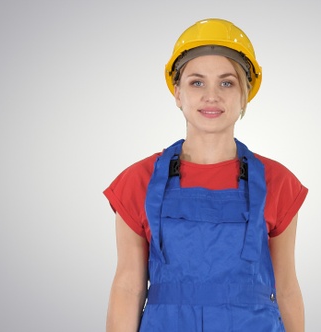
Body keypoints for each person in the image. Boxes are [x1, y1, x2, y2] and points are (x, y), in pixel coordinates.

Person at [104, 18, 308, 332]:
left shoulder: (277, 183)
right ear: (177, 93)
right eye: (196, 82)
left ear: (245, 94)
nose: (211, 95)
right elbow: (128, 286)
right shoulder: (138, 182)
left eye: (227, 82)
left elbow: (287, 288)